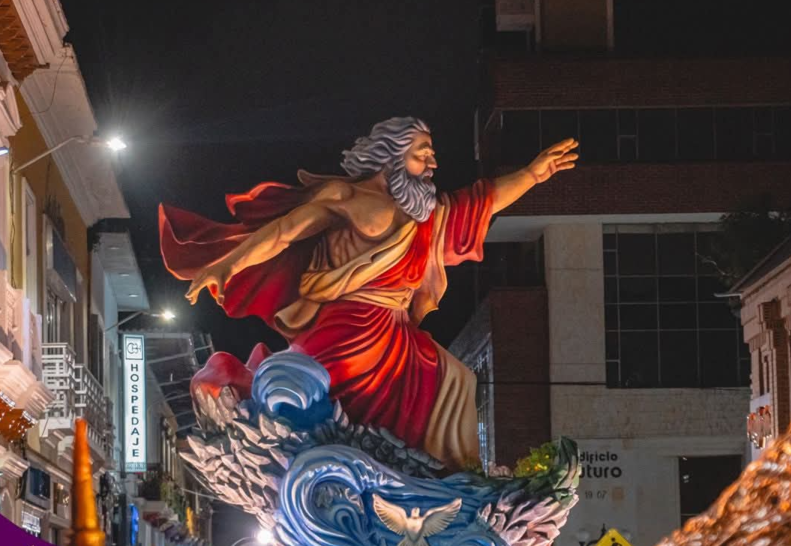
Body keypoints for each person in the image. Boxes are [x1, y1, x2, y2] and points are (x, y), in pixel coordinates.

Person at [160, 117, 577, 469]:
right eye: (422, 152)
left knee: (457, 379)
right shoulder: (345, 197)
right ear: (393, 156)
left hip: (397, 332)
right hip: (348, 328)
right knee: (324, 410)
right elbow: (284, 232)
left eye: (431, 153)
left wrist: (534, 174)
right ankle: (232, 375)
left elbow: (481, 202)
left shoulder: (426, 216)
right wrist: (227, 264)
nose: (432, 161)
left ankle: (449, 481)